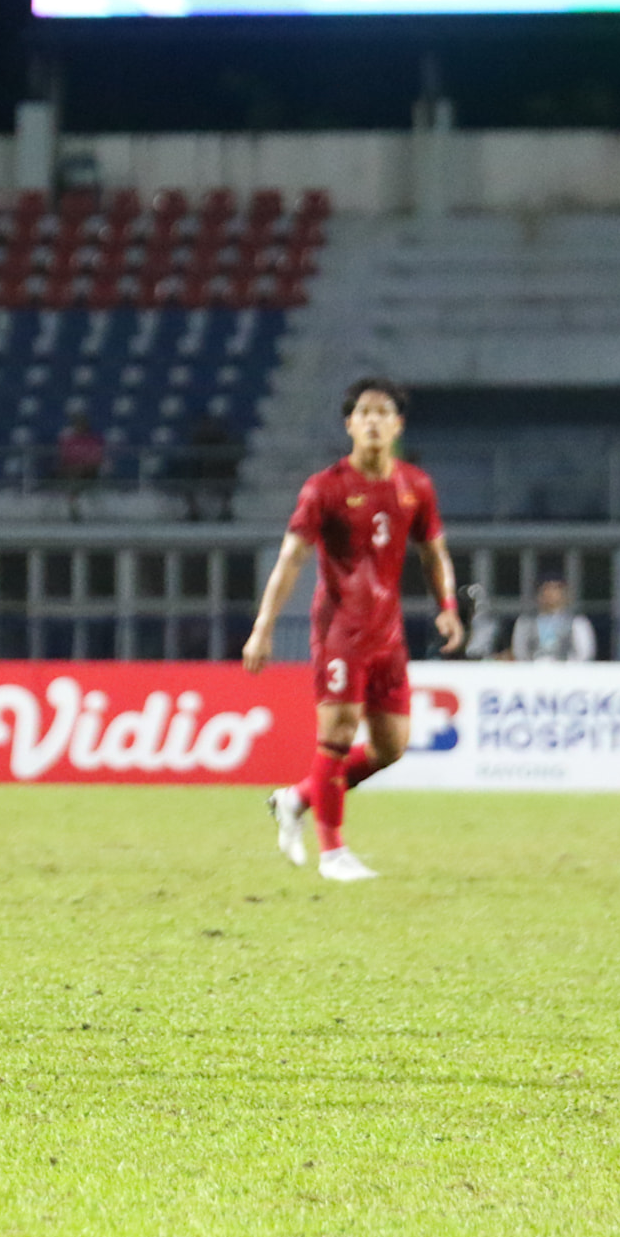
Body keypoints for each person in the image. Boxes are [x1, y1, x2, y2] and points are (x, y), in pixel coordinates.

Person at [242, 377, 464, 881]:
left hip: (388, 634)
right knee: (337, 733)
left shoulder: (416, 487)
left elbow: (434, 553)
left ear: (397, 424)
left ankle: (297, 798)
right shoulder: (326, 488)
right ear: (349, 425)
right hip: (340, 630)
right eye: (363, 412)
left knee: (391, 747)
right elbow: (290, 561)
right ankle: (333, 852)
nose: (372, 420)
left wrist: (447, 606)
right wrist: (263, 628)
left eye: (383, 412)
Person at [509, 578, 595, 662]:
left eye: (555, 589)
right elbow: (519, 651)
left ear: (565, 594)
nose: (549, 594)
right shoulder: (525, 622)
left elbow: (585, 653)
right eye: (545, 589)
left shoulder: (578, 622)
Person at [55, 414, 105, 521]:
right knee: (72, 475)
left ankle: (74, 507)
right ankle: (74, 510)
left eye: (82, 425)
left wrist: (83, 465)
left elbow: (97, 459)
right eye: (77, 425)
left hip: (90, 472)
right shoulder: (70, 441)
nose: (80, 428)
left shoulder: (93, 440)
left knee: (77, 474)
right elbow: (64, 458)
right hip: (71, 472)